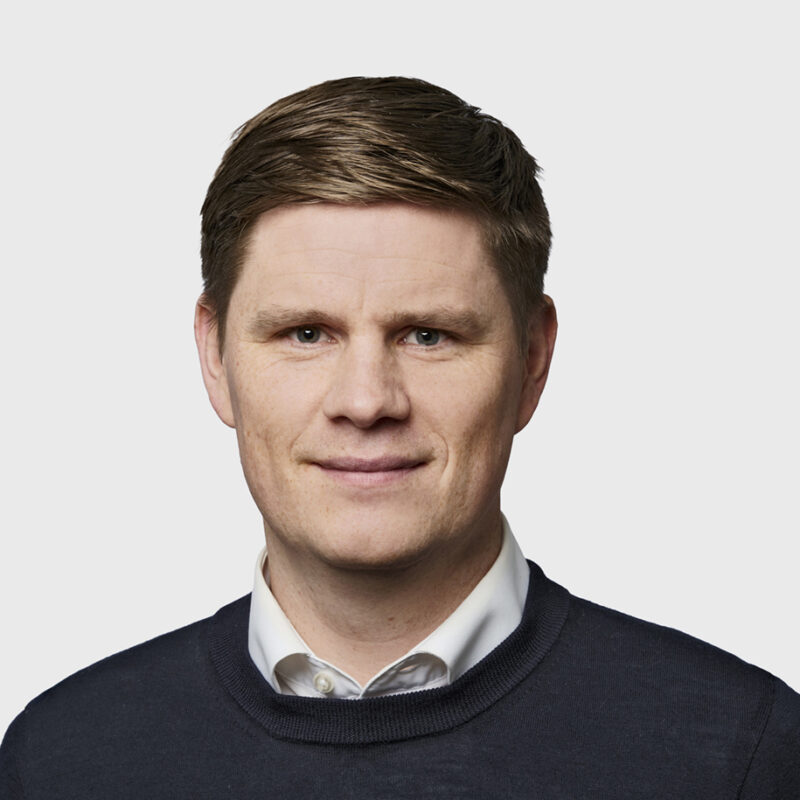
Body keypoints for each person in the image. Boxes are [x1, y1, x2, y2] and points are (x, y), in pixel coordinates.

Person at [1, 76, 797, 798]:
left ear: (532, 358)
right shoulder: (61, 762)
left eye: (427, 335)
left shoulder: (742, 755)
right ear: (215, 358)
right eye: (306, 333)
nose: (365, 401)